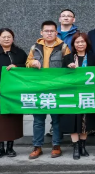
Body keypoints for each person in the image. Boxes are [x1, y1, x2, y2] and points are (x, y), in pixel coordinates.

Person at [26, 20, 71, 159]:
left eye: (52, 31)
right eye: (46, 31)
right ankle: (37, 146)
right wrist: (32, 63)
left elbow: (68, 66)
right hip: (39, 88)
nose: (49, 33)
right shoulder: (35, 47)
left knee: (56, 119)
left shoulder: (63, 47)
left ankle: (56, 146)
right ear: (41, 32)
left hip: (56, 89)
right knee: (38, 120)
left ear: (56, 32)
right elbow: (27, 63)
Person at [0, 28, 27, 159]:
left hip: (14, 92)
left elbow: (27, 67)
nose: (6, 39)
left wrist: (17, 67)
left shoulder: (19, 53)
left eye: (9, 37)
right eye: (3, 37)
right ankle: (0, 148)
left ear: (13, 38)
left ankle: (10, 147)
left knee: (12, 120)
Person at [61, 33, 95, 160]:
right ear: (73, 44)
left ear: (87, 43)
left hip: (88, 93)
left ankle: (83, 146)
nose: (80, 44)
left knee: (86, 120)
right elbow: (61, 76)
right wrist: (68, 69)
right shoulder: (68, 58)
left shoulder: (94, 57)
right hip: (73, 95)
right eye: (77, 42)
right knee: (73, 120)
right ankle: (76, 147)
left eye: (82, 42)